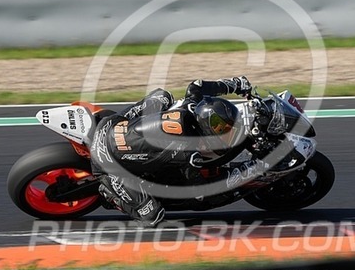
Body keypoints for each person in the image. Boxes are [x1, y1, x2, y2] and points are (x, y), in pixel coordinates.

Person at [89, 77, 268, 227]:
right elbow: (201, 192)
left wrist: (234, 84)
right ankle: (108, 191)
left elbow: (197, 86)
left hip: (111, 123)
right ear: (206, 130)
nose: (228, 136)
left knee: (163, 97)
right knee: (152, 216)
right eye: (222, 131)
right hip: (107, 159)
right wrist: (241, 172)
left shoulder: (192, 106)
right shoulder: (188, 152)